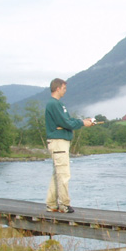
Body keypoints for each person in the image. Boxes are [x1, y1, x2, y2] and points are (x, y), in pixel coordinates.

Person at [44, 78, 94, 213]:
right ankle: (64, 205)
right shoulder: (54, 104)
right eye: (64, 88)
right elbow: (66, 123)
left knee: (57, 174)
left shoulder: (57, 105)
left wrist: (82, 121)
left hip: (59, 143)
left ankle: (51, 204)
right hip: (58, 143)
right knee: (63, 174)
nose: (65, 91)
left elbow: (67, 120)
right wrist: (83, 124)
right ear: (58, 88)